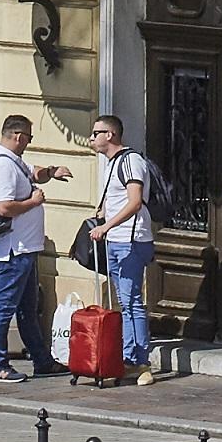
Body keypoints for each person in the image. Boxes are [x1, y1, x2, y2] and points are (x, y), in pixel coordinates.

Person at [0, 113, 65, 379]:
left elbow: (34, 173)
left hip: (25, 249)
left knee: (27, 308)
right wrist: (33, 202)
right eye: (28, 137)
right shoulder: (2, 166)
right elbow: (4, 207)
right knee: (4, 307)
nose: (28, 141)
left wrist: (52, 172)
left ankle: (42, 360)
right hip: (13, 250)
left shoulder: (14, 162)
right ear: (17, 136)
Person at [90, 110, 157, 382]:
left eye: (96, 133)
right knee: (124, 302)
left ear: (110, 134)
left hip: (131, 240)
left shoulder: (130, 161)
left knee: (131, 303)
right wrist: (102, 214)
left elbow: (134, 201)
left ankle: (140, 361)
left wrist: (106, 226)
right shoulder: (111, 163)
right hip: (116, 240)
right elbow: (116, 200)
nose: (91, 138)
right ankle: (128, 356)